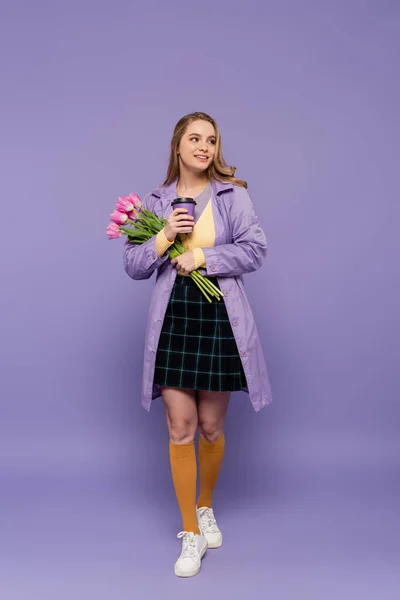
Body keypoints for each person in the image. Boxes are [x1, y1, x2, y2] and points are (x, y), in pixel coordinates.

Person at [123, 111, 273, 577]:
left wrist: (203, 255)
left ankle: (204, 504)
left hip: (220, 320)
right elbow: (133, 265)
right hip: (174, 321)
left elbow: (255, 249)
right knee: (180, 426)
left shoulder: (234, 195)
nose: (203, 147)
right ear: (178, 146)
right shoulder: (155, 201)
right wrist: (164, 235)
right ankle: (190, 532)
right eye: (194, 138)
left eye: (211, 140)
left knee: (211, 426)